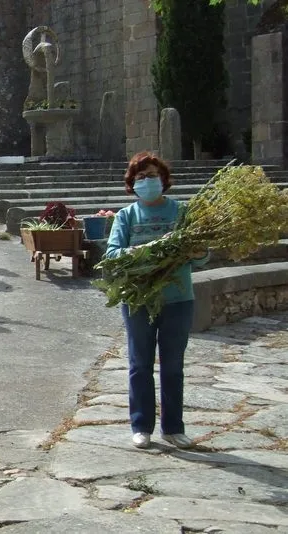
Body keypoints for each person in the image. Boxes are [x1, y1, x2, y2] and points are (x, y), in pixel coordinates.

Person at [104, 152, 210, 450]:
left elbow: (203, 257)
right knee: (140, 364)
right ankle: (141, 426)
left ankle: (173, 428)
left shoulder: (182, 213)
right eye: (140, 178)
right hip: (138, 299)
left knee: (173, 365)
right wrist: (145, 252)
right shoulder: (126, 216)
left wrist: (196, 252)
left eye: (151, 176)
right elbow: (112, 255)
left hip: (178, 299)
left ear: (163, 180)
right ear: (132, 185)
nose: (146, 182)